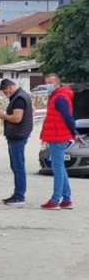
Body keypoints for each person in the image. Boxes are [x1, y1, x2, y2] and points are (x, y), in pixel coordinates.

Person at [39, 73, 78, 210]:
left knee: (57, 168)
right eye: (46, 82)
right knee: (61, 167)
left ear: (57, 83)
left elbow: (68, 117)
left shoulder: (59, 98)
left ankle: (55, 200)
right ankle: (66, 199)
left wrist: (74, 132)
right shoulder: (59, 96)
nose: (48, 85)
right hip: (59, 135)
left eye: (50, 82)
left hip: (58, 136)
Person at [0, 79, 34, 206]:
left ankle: (19, 196)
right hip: (18, 135)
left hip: (18, 136)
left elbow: (17, 118)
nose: (4, 93)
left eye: (5, 91)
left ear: (10, 87)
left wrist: (3, 116)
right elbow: (32, 110)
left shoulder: (19, 98)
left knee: (18, 167)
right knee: (16, 166)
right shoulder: (22, 96)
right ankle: (17, 193)